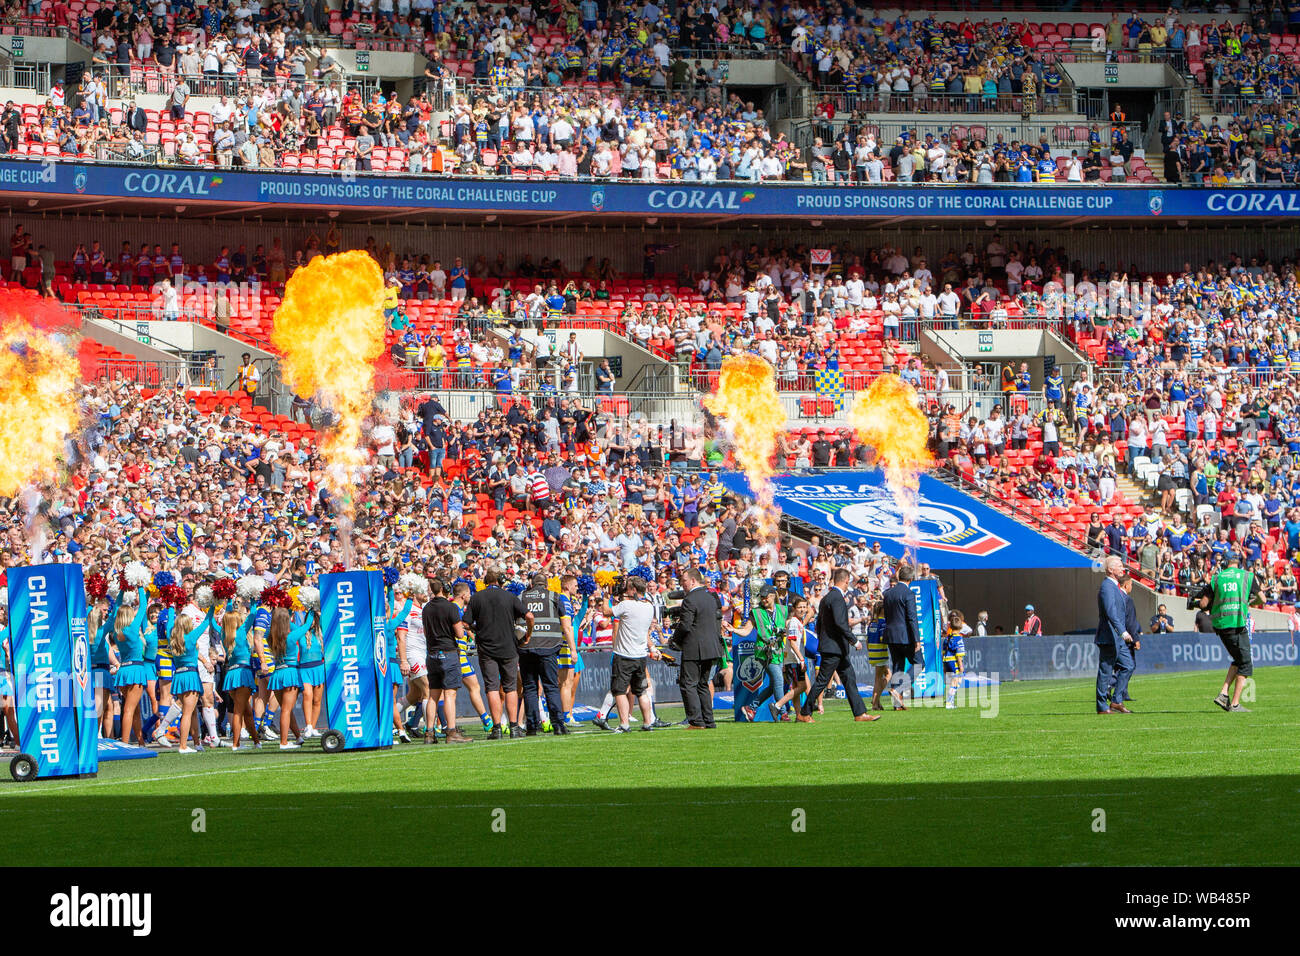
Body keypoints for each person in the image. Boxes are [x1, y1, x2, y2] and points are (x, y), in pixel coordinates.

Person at [798, 567, 879, 723]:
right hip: (834, 648)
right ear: (846, 581)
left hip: (834, 648)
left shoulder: (827, 598)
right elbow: (841, 624)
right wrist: (854, 640)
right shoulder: (837, 598)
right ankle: (804, 712)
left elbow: (820, 624)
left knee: (849, 678)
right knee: (822, 681)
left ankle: (860, 713)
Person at [463, 569, 532, 739]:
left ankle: (497, 728)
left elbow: (465, 622)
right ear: (501, 581)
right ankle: (514, 727)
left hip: (487, 649)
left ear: (486, 581)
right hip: (508, 647)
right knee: (510, 688)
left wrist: (477, 630)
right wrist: (527, 635)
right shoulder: (509, 597)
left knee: (492, 687)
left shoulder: (477, 598)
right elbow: (529, 616)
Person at [1190, 553, 1260, 713]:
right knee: (1246, 663)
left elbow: (1203, 603)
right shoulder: (1247, 576)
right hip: (1238, 623)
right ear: (1239, 562)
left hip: (1221, 626)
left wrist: (1195, 602)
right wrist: (1247, 602)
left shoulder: (1216, 578)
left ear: (1225, 563)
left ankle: (1223, 693)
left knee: (1238, 659)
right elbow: (1262, 598)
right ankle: (1234, 704)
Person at [671, 567, 725, 729]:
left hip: (694, 648)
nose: (683, 585)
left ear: (693, 580)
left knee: (688, 684)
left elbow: (686, 625)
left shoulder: (690, 599)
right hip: (711, 648)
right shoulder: (711, 597)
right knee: (703, 684)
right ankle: (709, 720)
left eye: (684, 581)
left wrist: (675, 640)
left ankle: (696, 721)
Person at [420, 578, 473, 744]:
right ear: (445, 589)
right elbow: (459, 633)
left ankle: (429, 733)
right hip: (448, 653)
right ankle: (451, 731)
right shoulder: (450, 607)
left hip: (432, 653)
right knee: (450, 694)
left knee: (433, 695)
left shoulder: (426, 608)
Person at [606, 574, 659, 732]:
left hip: (624, 655)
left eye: (628, 588)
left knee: (619, 690)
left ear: (633, 589)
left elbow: (607, 611)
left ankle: (624, 724)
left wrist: (606, 596)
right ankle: (647, 722)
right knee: (641, 691)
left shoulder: (627, 606)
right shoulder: (649, 606)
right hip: (640, 655)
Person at [518, 573, 568, 736]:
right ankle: (558, 725)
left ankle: (532, 726)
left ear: (532, 584)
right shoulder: (554, 596)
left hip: (527, 648)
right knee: (551, 687)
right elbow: (565, 619)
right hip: (549, 647)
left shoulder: (521, 596)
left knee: (530, 688)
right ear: (546, 585)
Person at [740, 586, 788, 722]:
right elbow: (746, 631)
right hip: (765, 652)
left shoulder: (782, 609)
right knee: (779, 681)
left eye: (766, 596)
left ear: (773, 596)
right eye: (761, 597)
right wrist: (733, 630)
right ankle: (782, 712)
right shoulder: (756, 612)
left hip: (778, 651)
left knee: (774, 686)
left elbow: (794, 619)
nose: (764, 599)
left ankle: (751, 708)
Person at [1094, 556, 1135, 714]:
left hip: (1117, 637)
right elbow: (1111, 612)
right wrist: (1123, 631)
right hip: (1109, 636)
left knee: (1128, 666)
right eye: (1119, 566)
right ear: (1110, 570)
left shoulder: (1115, 586)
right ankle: (1102, 706)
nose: (1122, 568)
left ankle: (1116, 700)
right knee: (1105, 671)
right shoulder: (1107, 587)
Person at [881, 564, 921, 709]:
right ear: (911, 578)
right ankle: (898, 689)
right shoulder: (908, 594)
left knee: (898, 666)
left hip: (891, 635)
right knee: (919, 664)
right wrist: (917, 639)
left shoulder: (888, 593)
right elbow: (912, 618)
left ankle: (897, 704)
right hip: (905, 636)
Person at [1119, 574, 1141, 704]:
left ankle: (1123, 692)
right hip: (1127, 638)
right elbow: (1131, 622)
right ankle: (1116, 689)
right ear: (1126, 585)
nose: (1132, 587)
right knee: (1129, 665)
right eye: (1131, 584)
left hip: (1119, 636)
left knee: (1122, 665)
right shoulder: (1127, 600)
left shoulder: (1118, 598)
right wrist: (1135, 639)